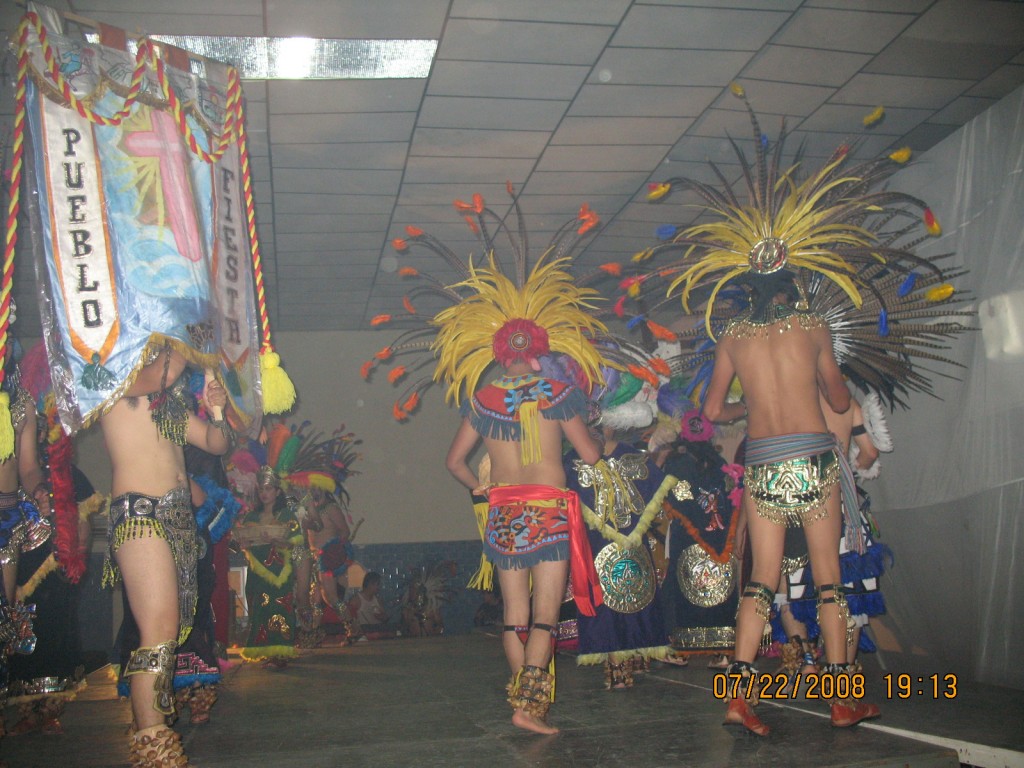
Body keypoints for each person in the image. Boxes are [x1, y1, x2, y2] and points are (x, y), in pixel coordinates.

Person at [703, 276, 880, 735]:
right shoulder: (813, 325)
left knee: (762, 579)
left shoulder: (733, 336)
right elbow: (839, 398)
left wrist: (751, 405)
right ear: (789, 289)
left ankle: (740, 697)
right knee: (828, 579)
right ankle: (842, 700)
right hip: (813, 459)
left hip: (763, 463)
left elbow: (712, 412)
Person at [99, 348, 231, 764]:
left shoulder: (168, 404)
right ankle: (154, 750)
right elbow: (163, 370)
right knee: (158, 634)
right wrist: (189, 333)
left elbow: (215, 443)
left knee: (166, 635)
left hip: (177, 519)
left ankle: (149, 735)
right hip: (141, 516)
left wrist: (216, 410)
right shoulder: (116, 382)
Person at [234, 464, 304, 668]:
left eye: (269, 489)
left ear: (278, 491)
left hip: (280, 570)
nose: (264, 493)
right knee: (259, 610)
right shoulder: (251, 517)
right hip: (257, 572)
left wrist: (277, 541)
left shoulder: (286, 516)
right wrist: (243, 545)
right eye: (261, 489)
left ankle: (281, 654)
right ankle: (266, 651)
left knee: (280, 607)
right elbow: (237, 545)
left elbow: (295, 542)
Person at [347, 571, 397, 640]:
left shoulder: (377, 600)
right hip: (365, 630)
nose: (379, 587)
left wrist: (381, 617)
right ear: (370, 584)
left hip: (378, 628)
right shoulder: (357, 600)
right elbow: (349, 618)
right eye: (377, 584)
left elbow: (385, 617)